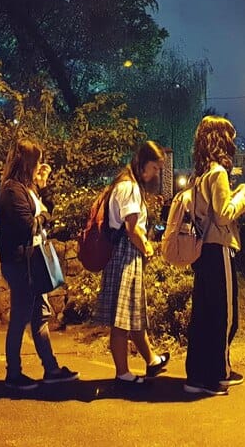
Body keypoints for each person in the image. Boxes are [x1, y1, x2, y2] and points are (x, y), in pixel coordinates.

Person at [0, 138, 77, 391]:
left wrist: (42, 187)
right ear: (27, 162)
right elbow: (28, 224)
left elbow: (41, 214)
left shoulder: (25, 187)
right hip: (21, 263)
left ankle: (51, 368)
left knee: (39, 315)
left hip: (30, 262)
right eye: (37, 161)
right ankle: (14, 374)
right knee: (20, 317)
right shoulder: (11, 189)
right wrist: (42, 216)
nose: (40, 165)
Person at [184, 116, 245, 396]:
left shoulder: (199, 175)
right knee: (224, 315)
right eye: (231, 137)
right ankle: (218, 374)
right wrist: (243, 195)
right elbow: (224, 216)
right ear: (221, 140)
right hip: (218, 248)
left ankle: (196, 375)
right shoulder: (218, 173)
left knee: (203, 313)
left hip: (203, 250)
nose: (234, 143)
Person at [93, 141, 170, 386]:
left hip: (123, 254)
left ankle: (152, 360)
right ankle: (122, 373)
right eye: (155, 168)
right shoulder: (130, 187)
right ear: (142, 163)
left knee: (132, 313)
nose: (156, 173)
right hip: (126, 255)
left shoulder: (124, 183)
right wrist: (146, 248)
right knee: (122, 318)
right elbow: (131, 228)